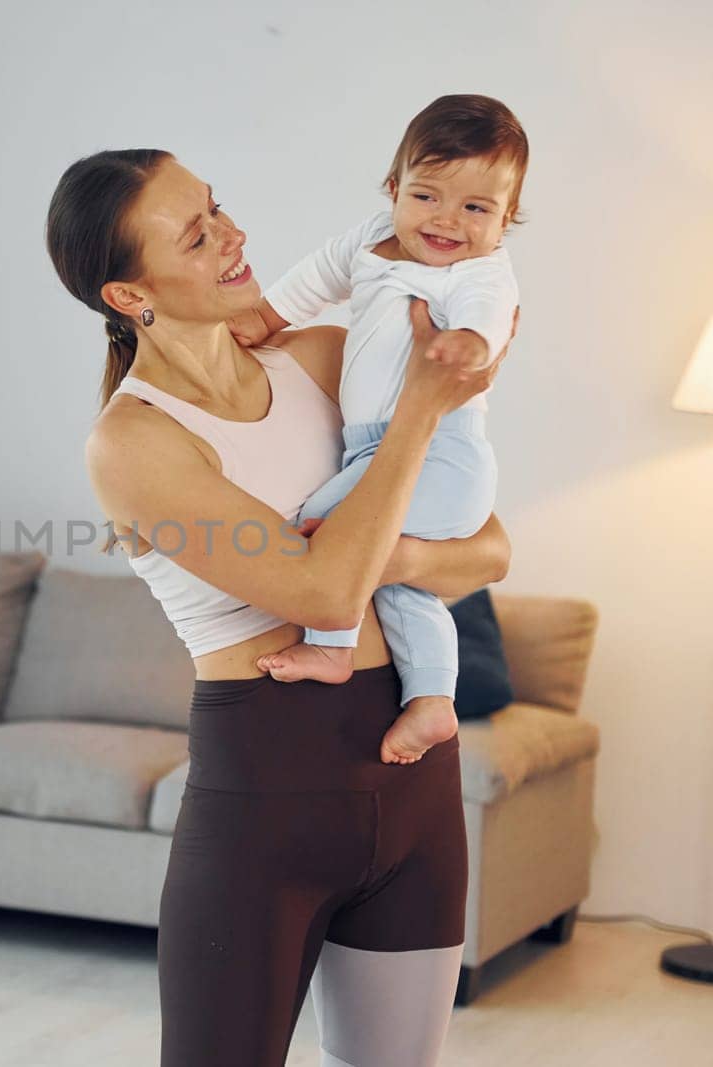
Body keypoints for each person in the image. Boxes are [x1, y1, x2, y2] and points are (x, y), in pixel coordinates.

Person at [45, 149, 513, 1066]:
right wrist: (417, 414)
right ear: (130, 296)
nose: (234, 236)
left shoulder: (327, 359)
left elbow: (491, 549)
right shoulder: (134, 441)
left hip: (416, 785)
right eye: (196, 234)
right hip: (267, 796)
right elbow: (325, 591)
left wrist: (402, 553)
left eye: (218, 209)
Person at [229, 94, 528, 767]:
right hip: (380, 448)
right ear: (394, 189)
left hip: (441, 454)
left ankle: (332, 644)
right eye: (427, 196)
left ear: (505, 220)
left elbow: (490, 313)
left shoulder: (480, 273)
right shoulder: (368, 241)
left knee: (326, 523)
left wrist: (470, 348)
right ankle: (432, 701)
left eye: (477, 209)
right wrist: (268, 316)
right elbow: (318, 275)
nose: (448, 220)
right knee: (396, 582)